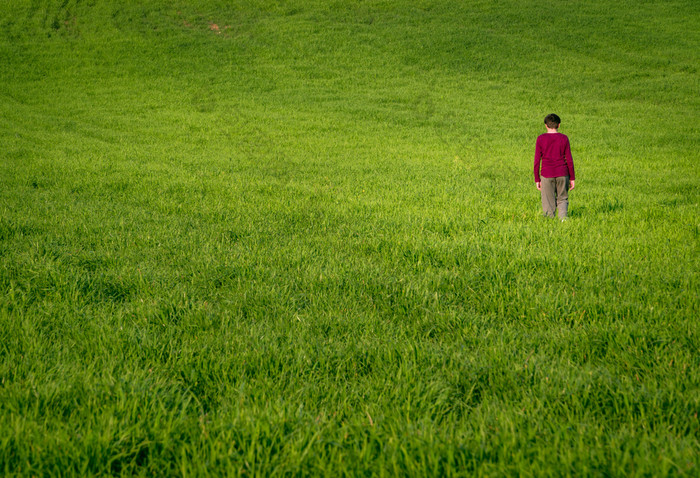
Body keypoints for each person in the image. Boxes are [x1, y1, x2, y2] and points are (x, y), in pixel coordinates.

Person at [534, 113, 576, 219]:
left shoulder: (540, 139)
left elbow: (536, 161)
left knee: (548, 201)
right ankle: (563, 221)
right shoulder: (564, 138)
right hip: (563, 173)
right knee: (562, 199)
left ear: (546, 125)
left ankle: (549, 223)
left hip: (546, 174)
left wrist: (537, 179)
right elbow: (569, 160)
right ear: (559, 125)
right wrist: (572, 178)